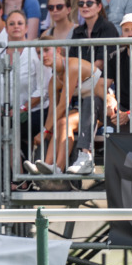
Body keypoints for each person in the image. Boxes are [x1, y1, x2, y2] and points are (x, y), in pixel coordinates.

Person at [25, 40, 102, 177]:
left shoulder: (72, 66)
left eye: (46, 50)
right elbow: (52, 111)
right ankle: (46, 165)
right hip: (84, 108)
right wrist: (46, 129)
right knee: (58, 122)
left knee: (63, 122)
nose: (43, 55)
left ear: (58, 51)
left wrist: (44, 131)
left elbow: (63, 104)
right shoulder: (53, 80)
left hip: (100, 106)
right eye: (39, 52)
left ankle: (58, 168)